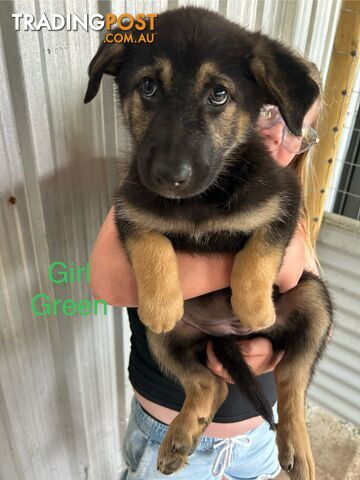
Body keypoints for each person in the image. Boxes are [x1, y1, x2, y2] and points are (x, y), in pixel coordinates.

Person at [90, 89, 321, 479]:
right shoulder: (171, 174)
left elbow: (318, 324)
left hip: (258, 439)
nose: (276, 136)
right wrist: (269, 267)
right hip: (166, 422)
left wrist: (270, 353)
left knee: (314, 302)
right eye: (268, 113)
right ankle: (201, 390)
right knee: (162, 324)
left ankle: (294, 415)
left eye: (296, 127)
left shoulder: (288, 204)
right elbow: (107, 281)